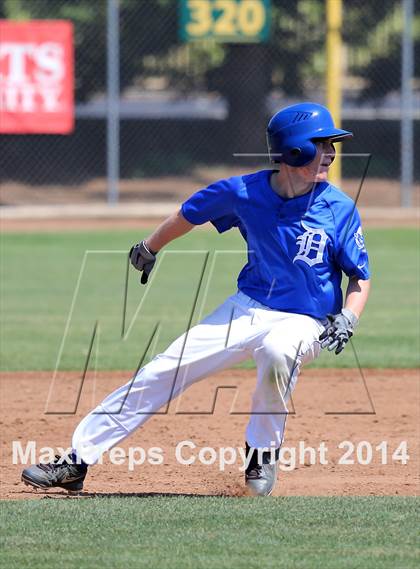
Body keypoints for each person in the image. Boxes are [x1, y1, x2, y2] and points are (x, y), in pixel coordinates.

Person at [22, 102, 370, 497]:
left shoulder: (339, 208)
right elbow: (190, 213)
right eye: (322, 144)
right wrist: (150, 247)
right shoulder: (244, 192)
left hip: (306, 321)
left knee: (277, 351)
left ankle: (262, 452)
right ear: (294, 150)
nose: (330, 154)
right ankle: (77, 461)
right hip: (248, 307)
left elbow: (361, 276)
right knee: (164, 369)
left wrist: (349, 317)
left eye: (331, 146)